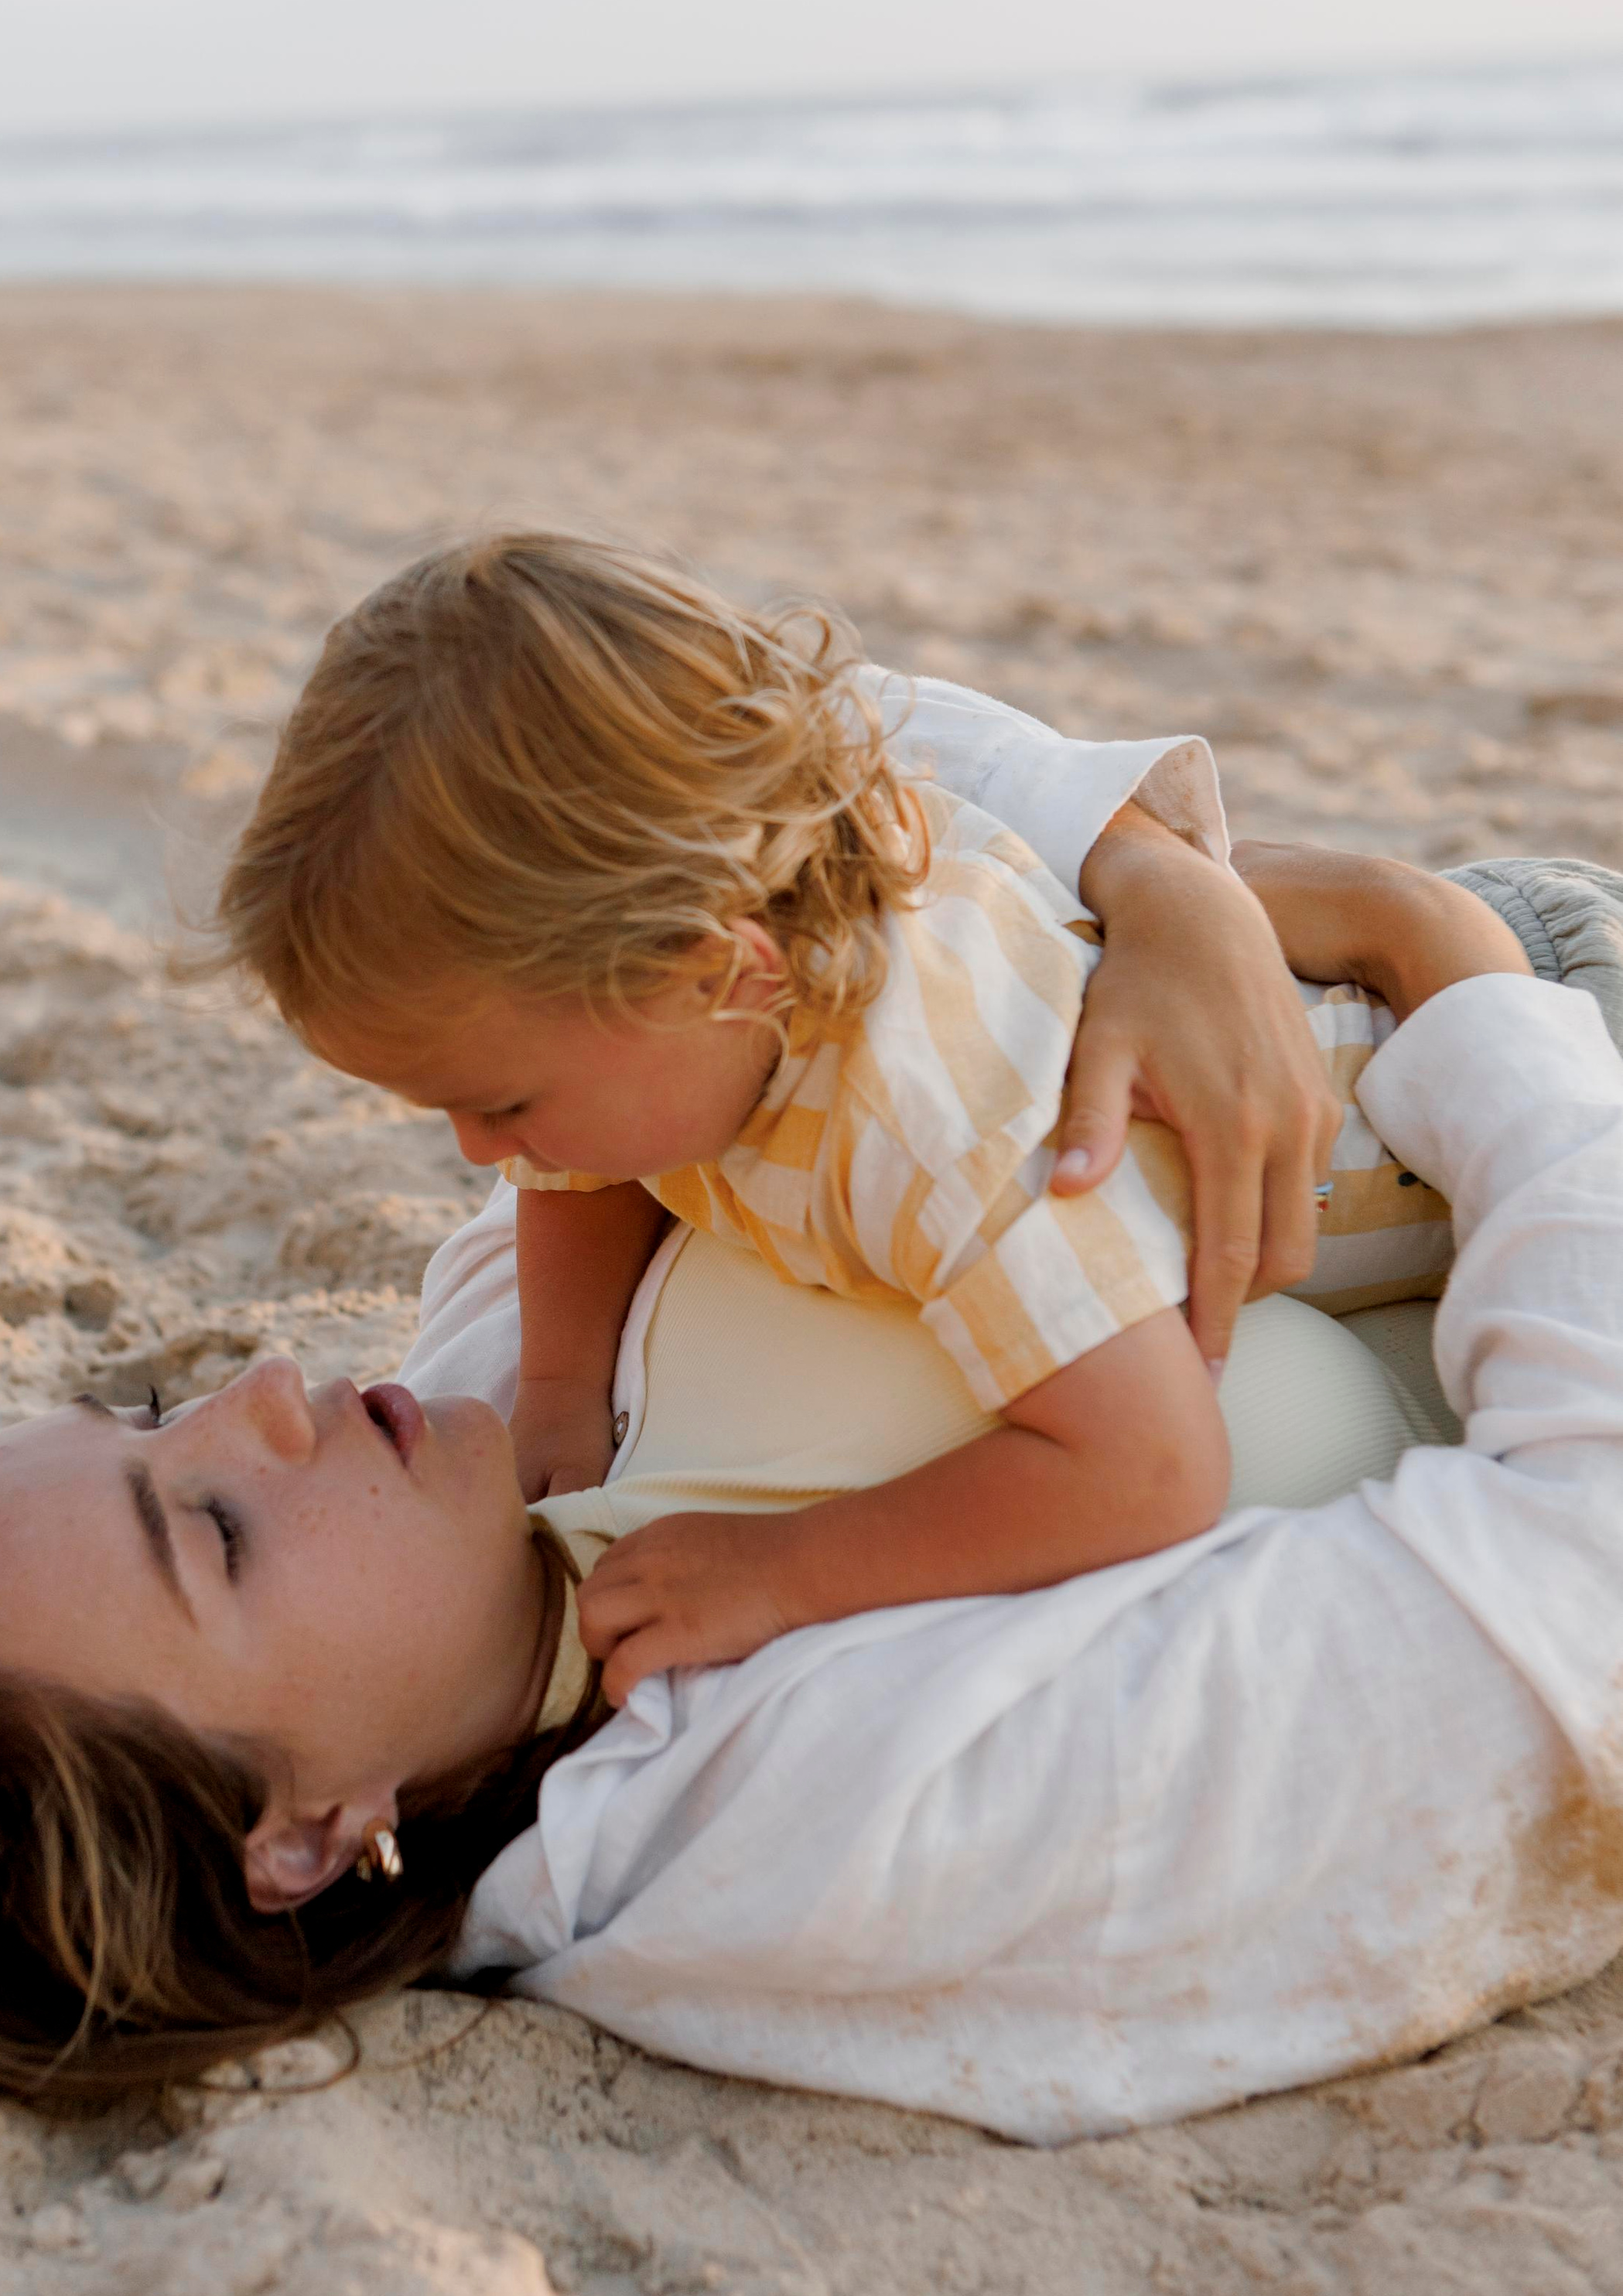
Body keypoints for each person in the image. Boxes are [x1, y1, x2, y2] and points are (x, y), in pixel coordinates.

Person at [0, 842, 1618, 2147]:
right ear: (301, 1842)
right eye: (213, 1532)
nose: (258, 1395)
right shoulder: (826, 1820)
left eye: (152, 1414)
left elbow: (783, 914)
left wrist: (1173, 889)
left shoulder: (498, 1414)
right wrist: (1436, 961)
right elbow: (1582, 1582)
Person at [210, 534, 1447, 1697]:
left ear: (720, 971)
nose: (478, 1151)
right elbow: (580, 1174)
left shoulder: (932, 1114)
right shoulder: (698, 986)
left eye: (502, 1104)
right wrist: (560, 1383)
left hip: (1462, 1096)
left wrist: (780, 1573)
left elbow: (1152, 1468)